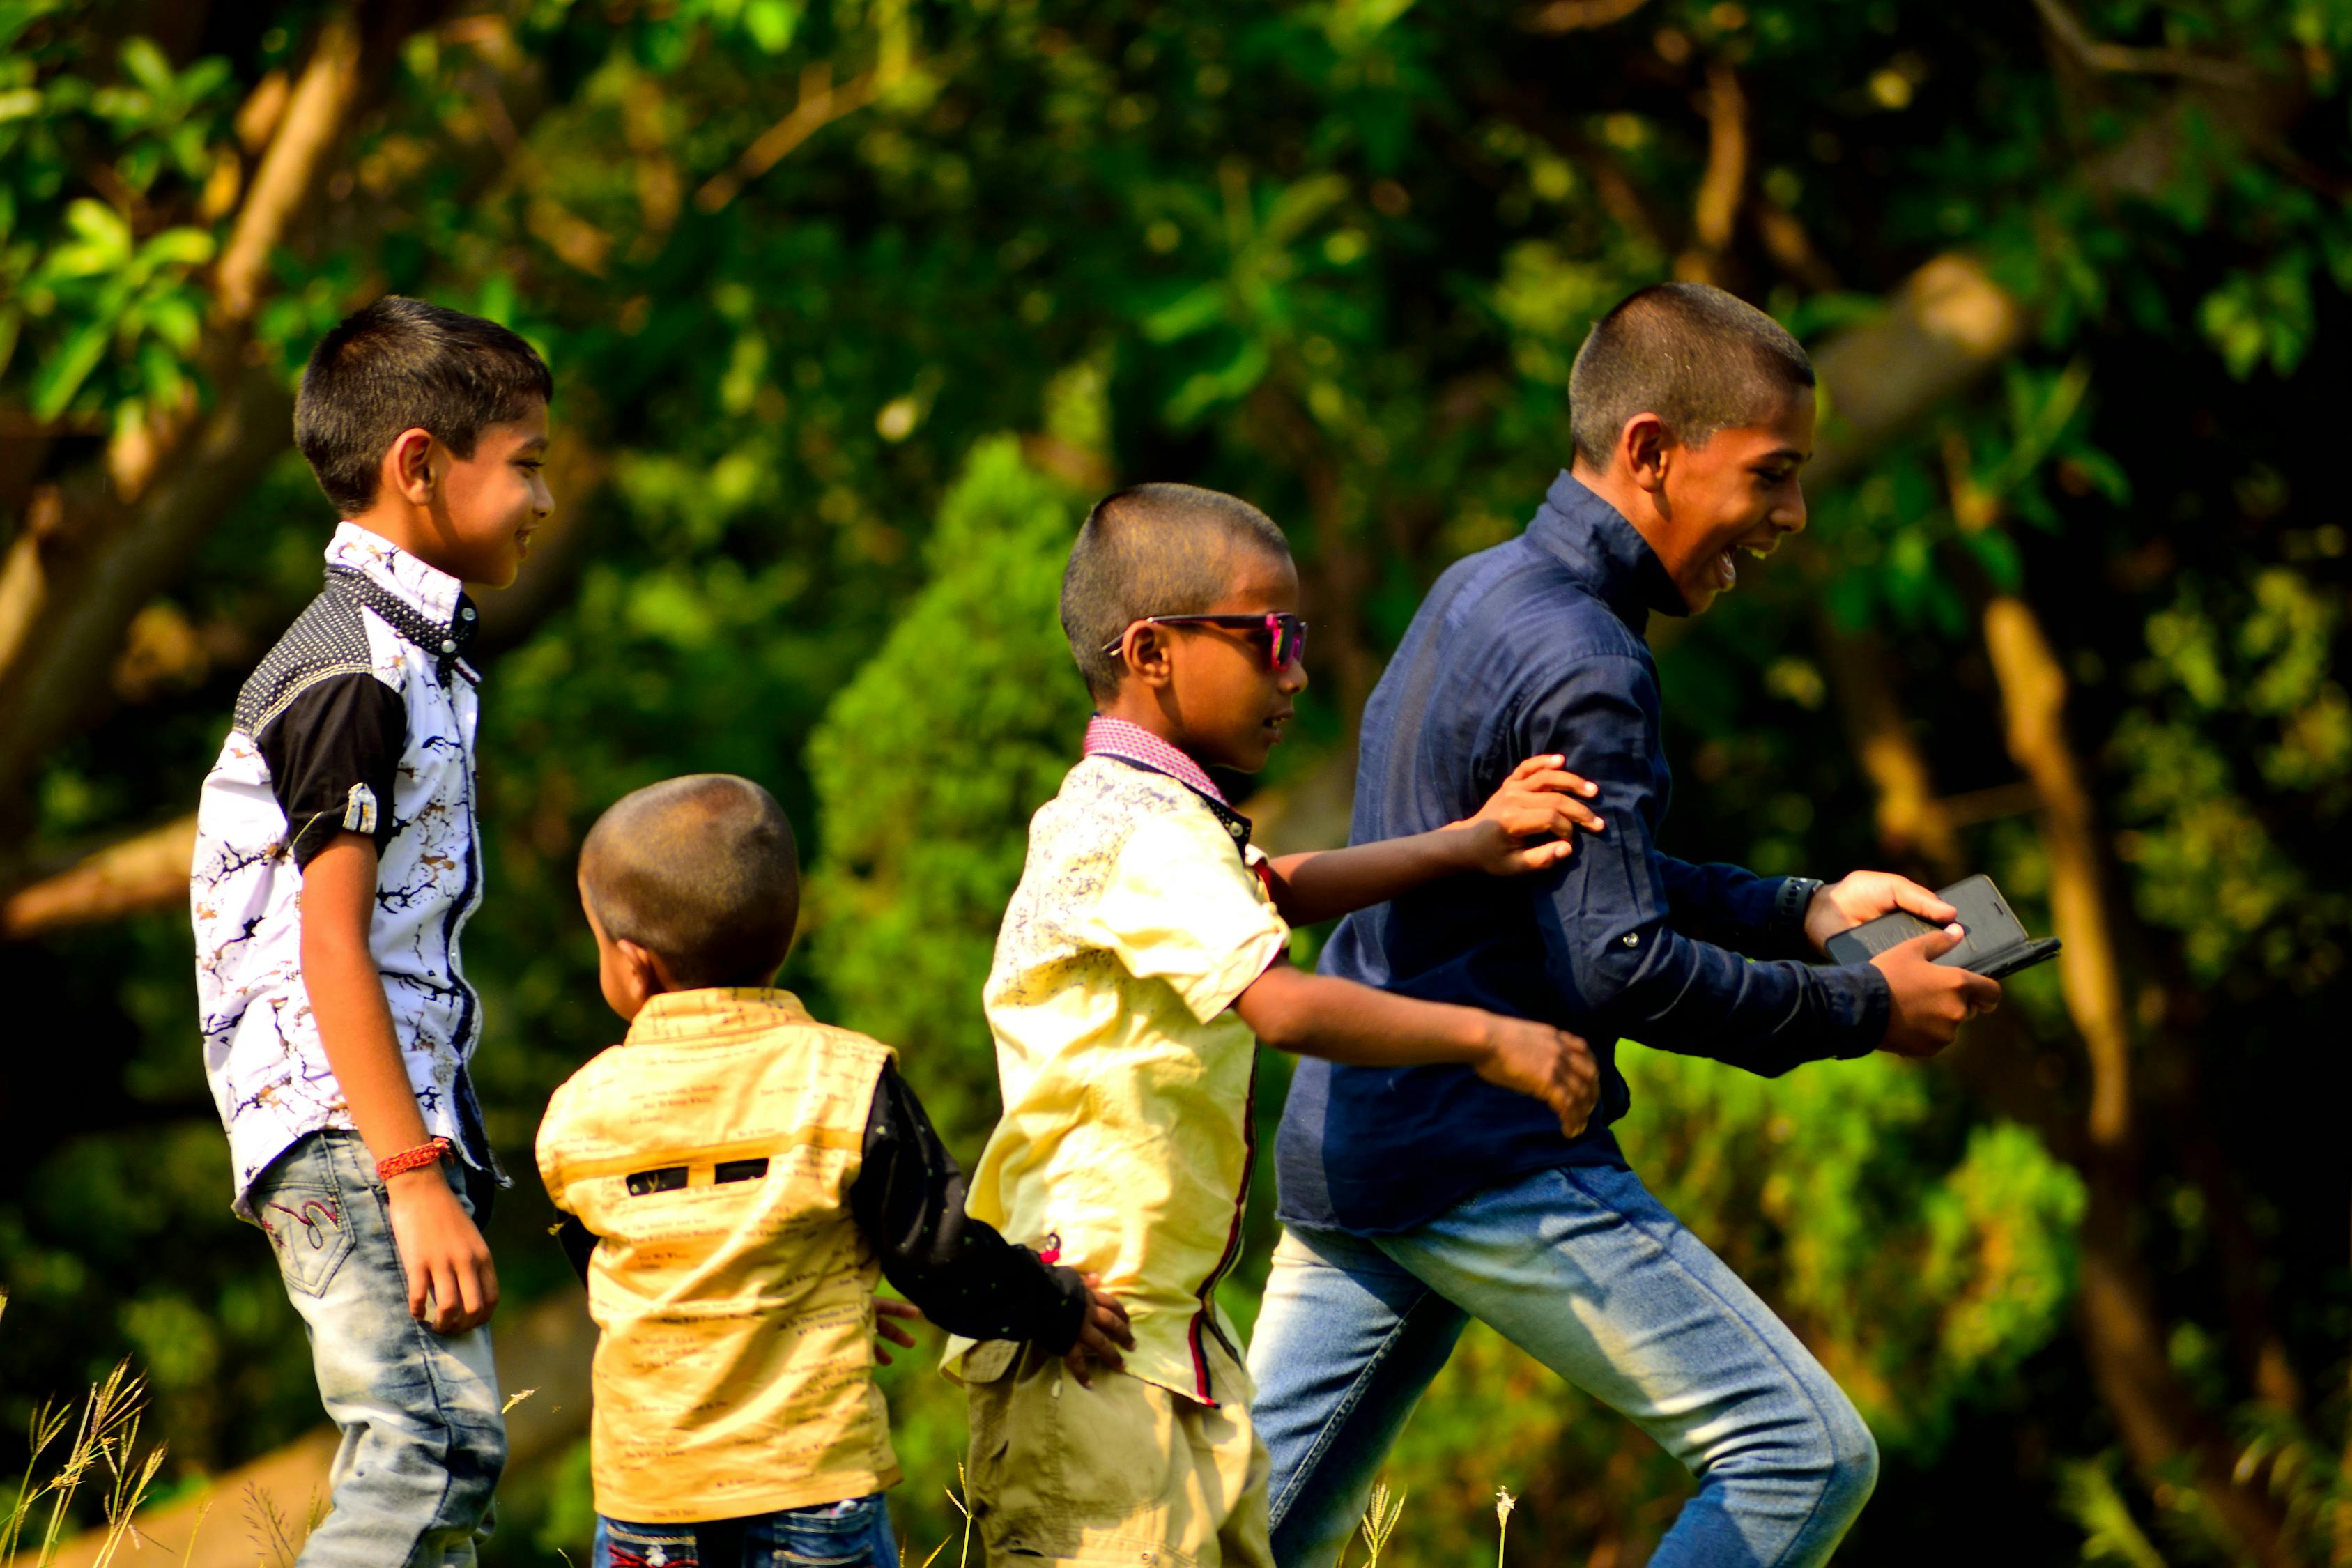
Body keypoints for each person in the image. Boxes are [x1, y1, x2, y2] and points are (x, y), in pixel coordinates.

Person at [1250, 282, 2005, 1567]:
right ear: (1653, 451)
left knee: (1238, 1541)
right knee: (1802, 1455)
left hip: (1352, 1147)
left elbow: (1578, 880)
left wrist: (1804, 907)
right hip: (1481, 1157)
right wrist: (1865, 1009)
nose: (1790, 517)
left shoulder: (1479, 588)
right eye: (1771, 475)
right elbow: (1627, 967)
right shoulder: (1590, 657)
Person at [944, 482, 1610, 1567]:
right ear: (1150, 649)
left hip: (1164, 1331)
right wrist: (1493, 1040)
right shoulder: (1137, 827)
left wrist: (1464, 842)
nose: (1294, 670)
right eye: (1267, 636)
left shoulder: (1141, 813)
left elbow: (1273, 888)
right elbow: (1282, 1002)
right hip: (1092, 1334)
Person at [537, 775, 1132, 1568]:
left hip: (652, 1499)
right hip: (813, 1489)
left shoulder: (580, 1110)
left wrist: (803, 1293)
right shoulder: (847, 1082)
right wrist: (1057, 1307)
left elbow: (616, 1265)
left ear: (635, 968)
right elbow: (944, 1260)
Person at [190, 296, 554, 1565]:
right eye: (526, 465)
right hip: (353, 1128)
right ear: (418, 466)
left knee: (448, 1458)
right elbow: (327, 945)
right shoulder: (355, 670)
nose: (544, 500)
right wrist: (410, 1178)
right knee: (425, 1448)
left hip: (376, 1119)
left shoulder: (406, 651)